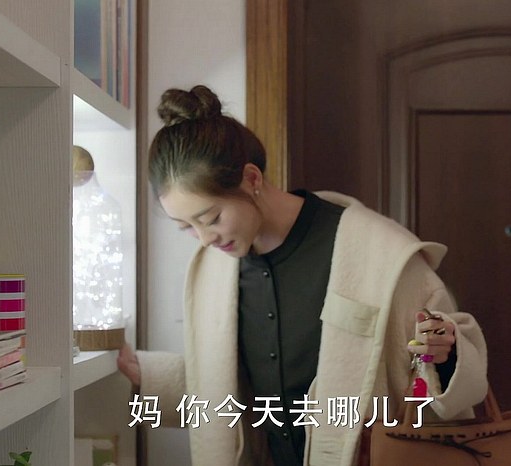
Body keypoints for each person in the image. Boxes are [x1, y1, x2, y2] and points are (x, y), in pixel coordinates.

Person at [117, 85, 488, 466]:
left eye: (211, 218)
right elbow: (229, 384)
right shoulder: (213, 270)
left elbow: (455, 383)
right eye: (186, 227)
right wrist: (148, 374)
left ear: (252, 179)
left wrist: (446, 353)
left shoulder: (378, 253)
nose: (204, 238)